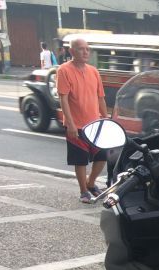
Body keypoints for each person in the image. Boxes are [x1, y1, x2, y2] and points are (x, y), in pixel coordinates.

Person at [56, 38, 109, 204]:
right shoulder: (64, 70)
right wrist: (70, 124)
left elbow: (100, 97)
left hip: (95, 123)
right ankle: (83, 191)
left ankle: (91, 183)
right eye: (81, 49)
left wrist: (105, 118)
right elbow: (63, 99)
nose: (85, 52)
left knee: (102, 157)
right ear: (71, 52)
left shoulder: (93, 71)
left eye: (87, 49)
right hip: (76, 125)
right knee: (80, 160)